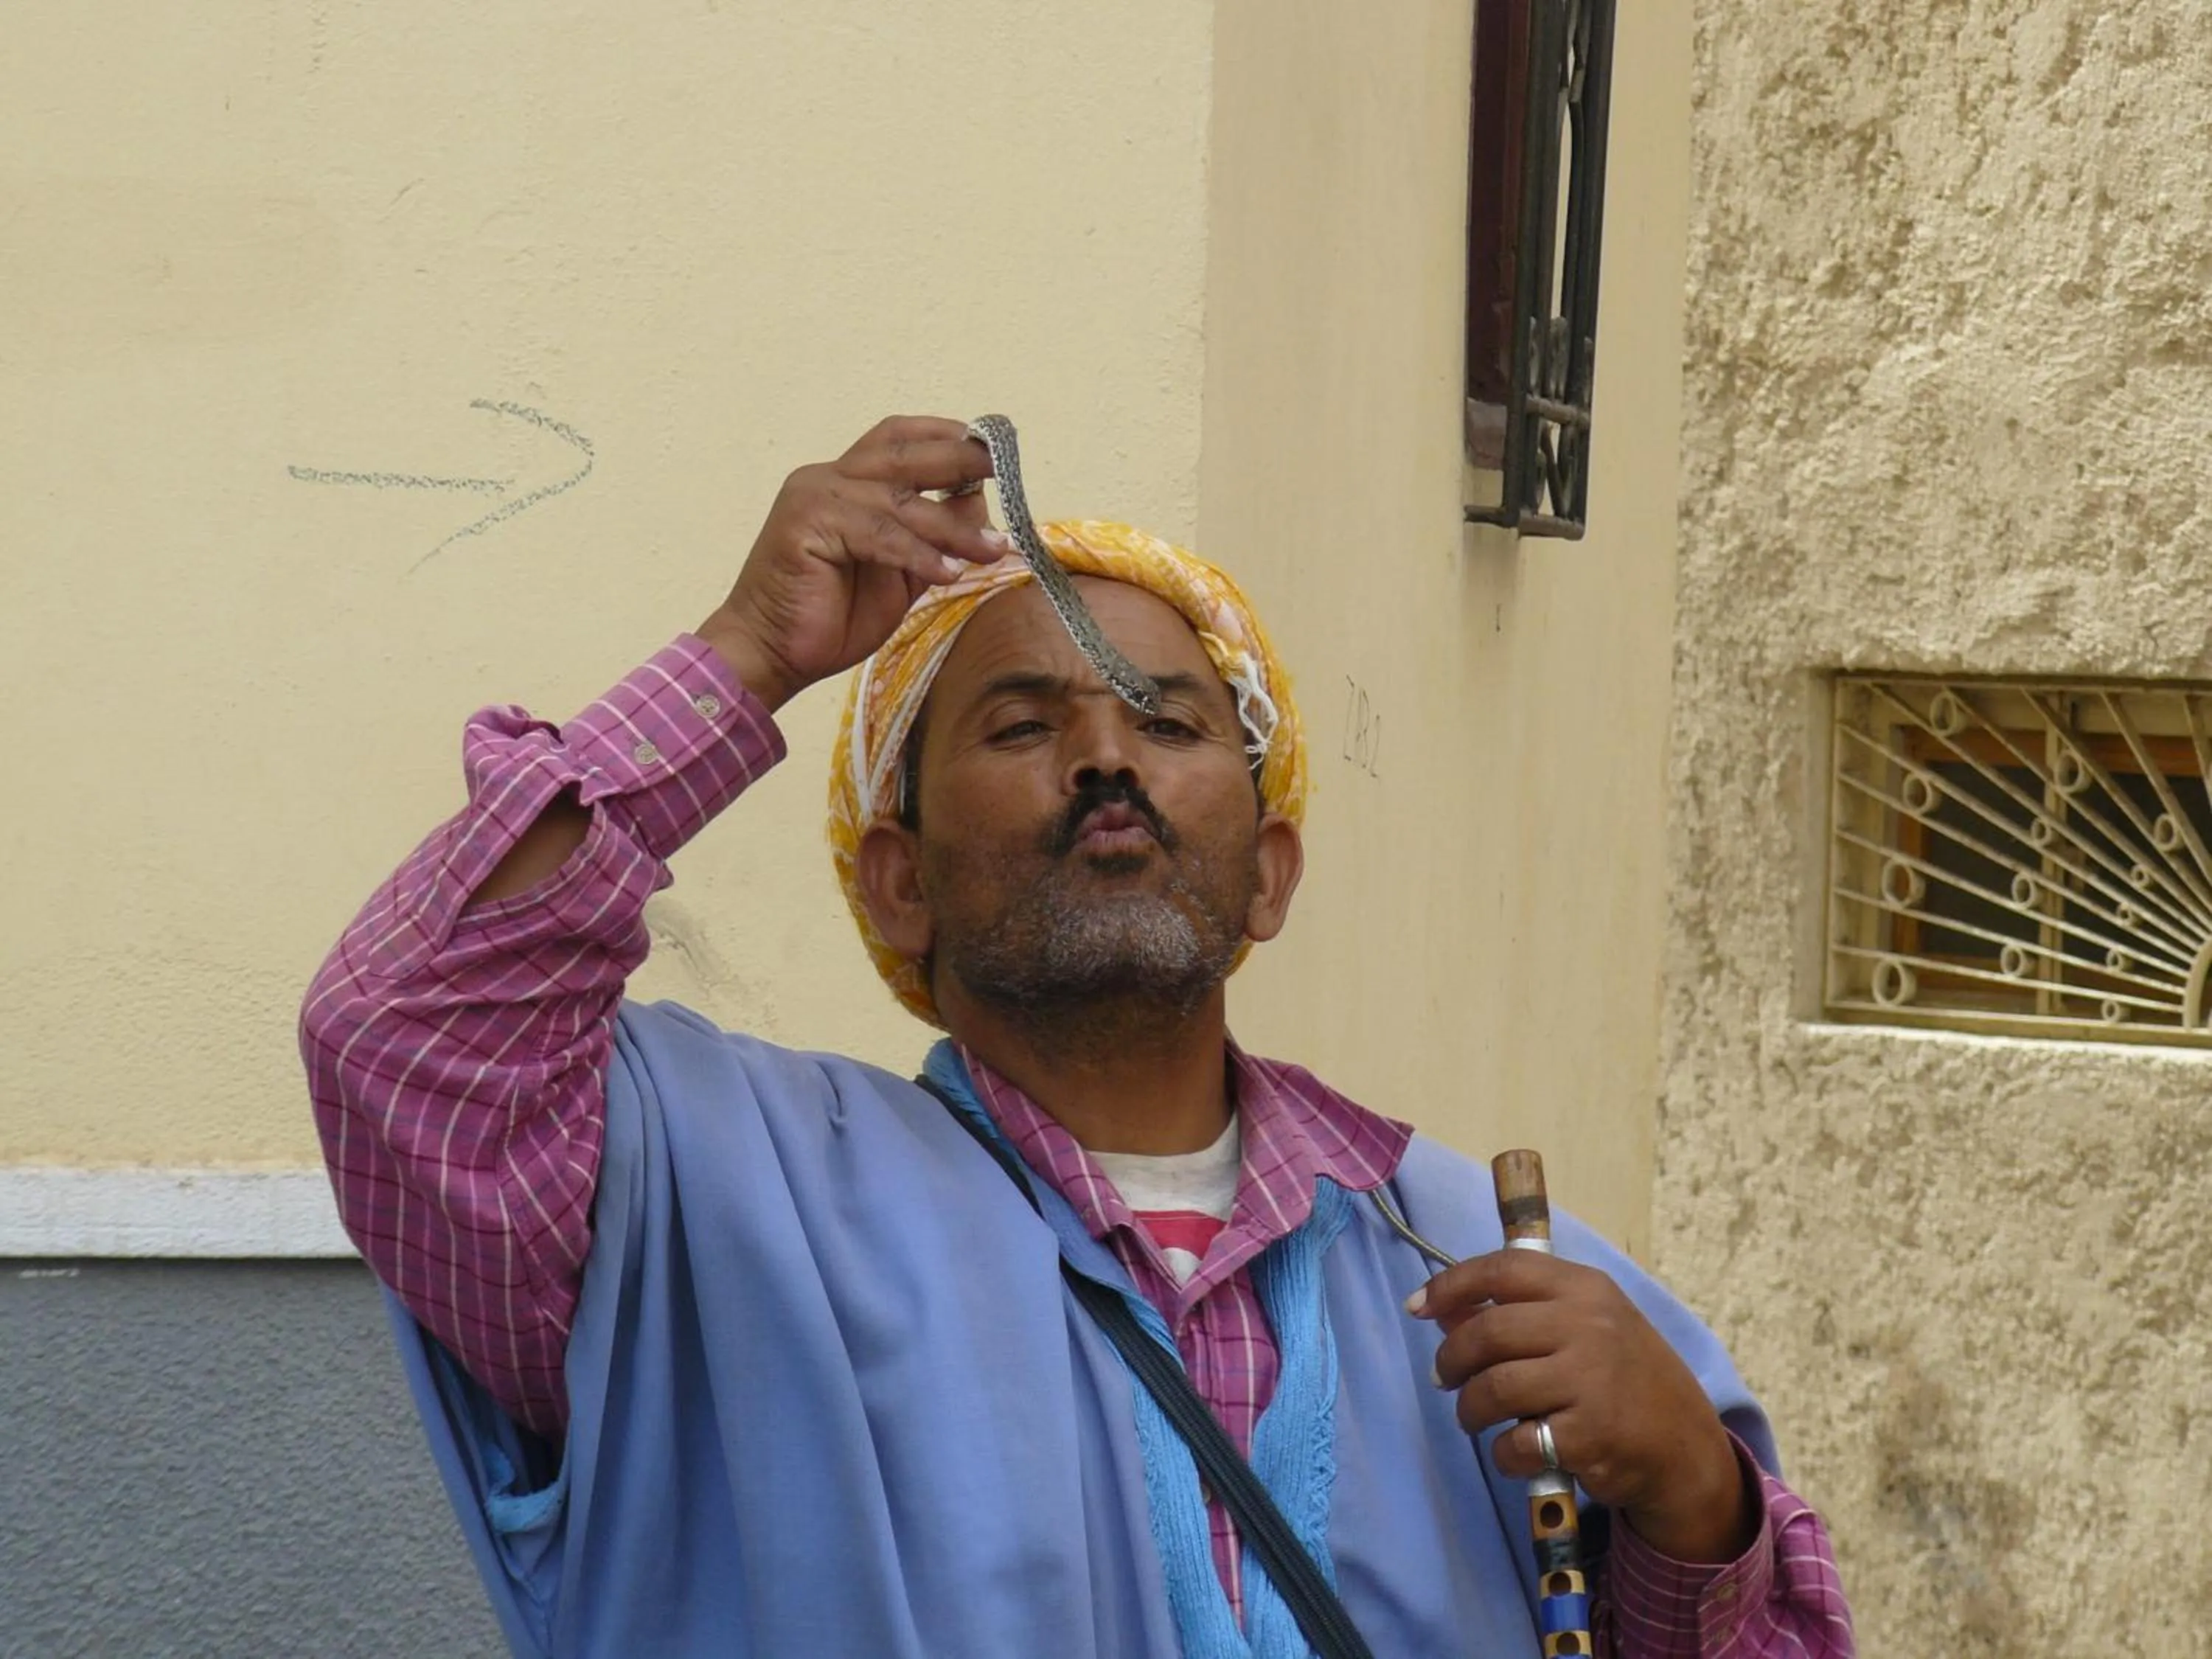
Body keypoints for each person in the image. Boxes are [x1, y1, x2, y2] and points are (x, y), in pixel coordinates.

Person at [301, 416, 1854, 1657]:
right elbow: (406, 1038)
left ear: (1271, 870)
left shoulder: (1490, 1269)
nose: (1108, 755)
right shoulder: (703, 1201)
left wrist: (1697, 1503)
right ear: (894, 882)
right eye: (1025, 724)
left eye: (1171, 723)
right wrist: (745, 660)